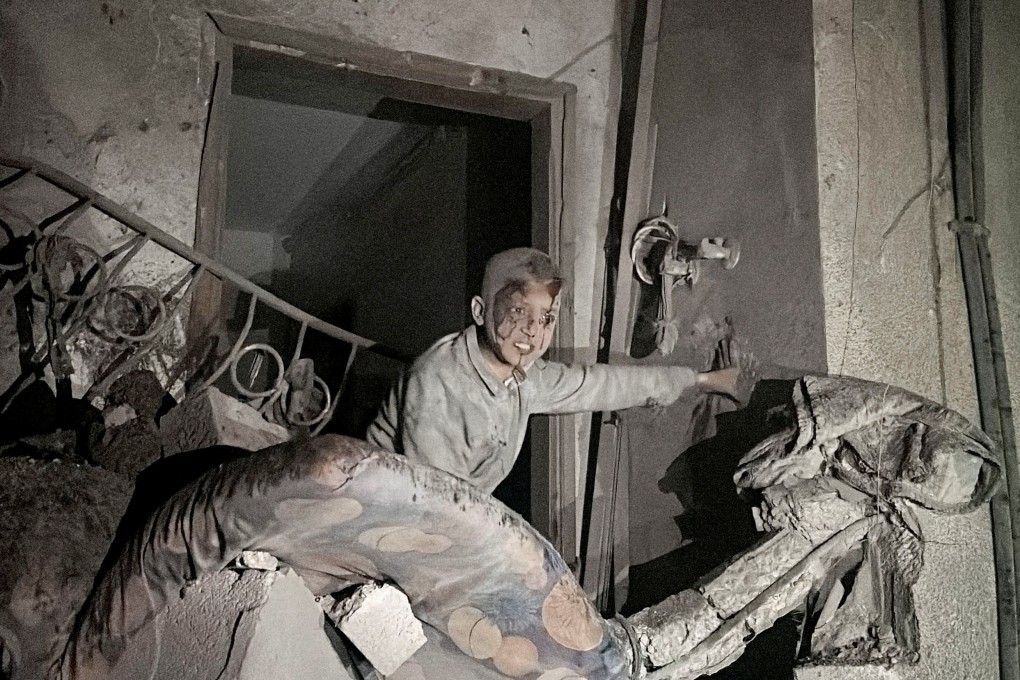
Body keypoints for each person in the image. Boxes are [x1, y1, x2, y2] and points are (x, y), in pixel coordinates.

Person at [366, 247, 750, 493]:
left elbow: (599, 385)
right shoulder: (438, 386)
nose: (533, 331)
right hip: (386, 516)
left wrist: (699, 380)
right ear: (481, 311)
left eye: (546, 317)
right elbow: (434, 514)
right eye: (517, 311)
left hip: (450, 517)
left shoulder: (522, 375)